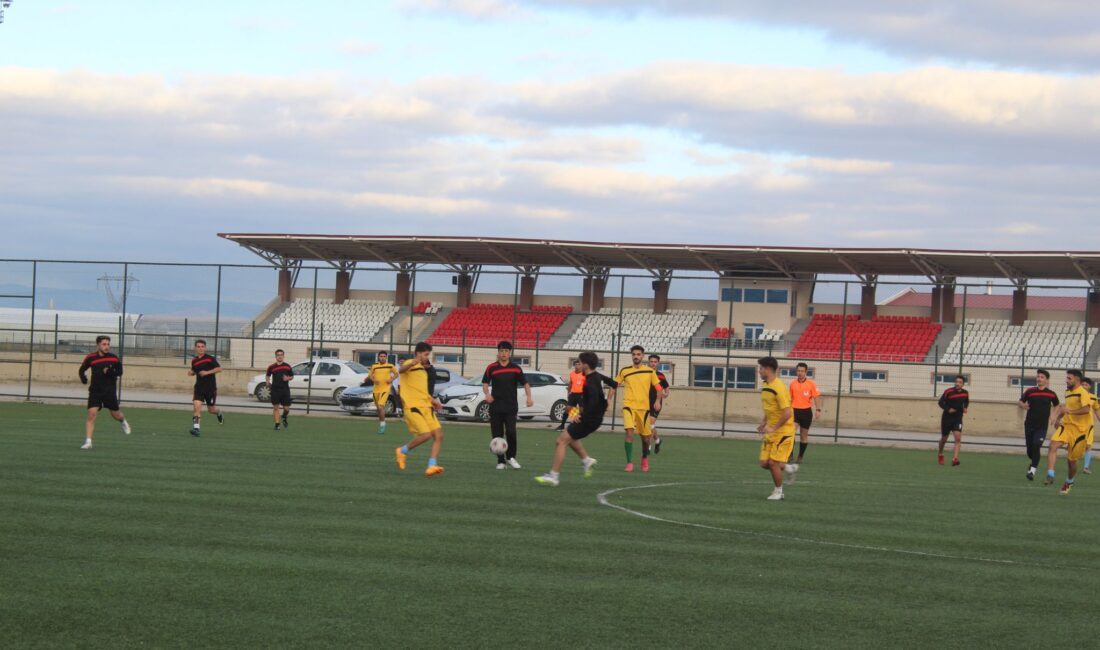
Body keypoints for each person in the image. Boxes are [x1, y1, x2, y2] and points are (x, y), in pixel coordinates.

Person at [535, 351, 604, 486]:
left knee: (561, 441)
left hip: (590, 419)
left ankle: (554, 476)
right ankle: (586, 460)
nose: (577, 365)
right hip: (593, 419)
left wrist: (581, 415)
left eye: (580, 362)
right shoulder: (593, 377)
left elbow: (594, 402)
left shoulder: (590, 381)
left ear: (585, 365)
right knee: (570, 437)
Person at [394, 342, 446, 477]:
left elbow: (421, 390)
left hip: (427, 407)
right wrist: (412, 363)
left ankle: (431, 465)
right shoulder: (410, 364)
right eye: (426, 355)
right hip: (413, 407)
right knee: (426, 435)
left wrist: (433, 400)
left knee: (439, 436)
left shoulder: (423, 370)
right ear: (418, 354)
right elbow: (401, 370)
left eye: (428, 355)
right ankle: (402, 451)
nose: (427, 357)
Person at [608, 345, 662, 472]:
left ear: (642, 356)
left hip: (644, 409)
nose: (636, 356)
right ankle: (629, 462)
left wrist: (657, 401)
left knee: (646, 438)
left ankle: (644, 458)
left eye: (638, 354)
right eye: (634, 354)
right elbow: (614, 385)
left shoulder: (650, 371)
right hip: (628, 406)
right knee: (629, 432)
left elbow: (659, 388)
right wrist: (608, 399)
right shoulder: (625, 371)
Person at [482, 341, 533, 470]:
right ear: (498, 352)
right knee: (497, 434)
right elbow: (485, 384)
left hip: (510, 406)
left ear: (510, 353)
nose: (504, 353)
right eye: (501, 351)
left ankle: (511, 457)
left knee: (511, 432)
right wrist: (487, 394)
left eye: (506, 351)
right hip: (495, 407)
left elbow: (526, 384)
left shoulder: (516, 368)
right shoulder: (491, 367)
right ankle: (501, 461)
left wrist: (529, 397)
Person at [78, 335, 131, 449]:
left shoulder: (114, 358)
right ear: (98, 345)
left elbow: (120, 372)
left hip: (109, 391)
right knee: (91, 414)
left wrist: (110, 372)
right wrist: (83, 378)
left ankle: (123, 421)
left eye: (108, 344)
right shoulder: (91, 358)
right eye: (104, 344)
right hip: (95, 391)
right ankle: (88, 442)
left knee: (115, 414)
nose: (107, 346)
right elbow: (82, 369)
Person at [757, 356, 798, 500]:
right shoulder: (765, 385)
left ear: (768, 369)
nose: (759, 371)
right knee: (764, 463)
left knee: (773, 463)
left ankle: (779, 492)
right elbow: (771, 408)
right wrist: (764, 422)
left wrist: (773, 428)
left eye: (761, 368)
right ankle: (788, 468)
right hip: (771, 429)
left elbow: (787, 412)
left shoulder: (779, 387)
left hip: (783, 431)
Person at [1045, 369, 1092, 494]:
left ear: (1077, 379)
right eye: (1067, 378)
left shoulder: (1083, 393)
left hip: (1080, 432)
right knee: (1052, 445)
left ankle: (1069, 481)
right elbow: (1066, 408)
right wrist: (1058, 418)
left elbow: (1086, 409)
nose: (1066, 380)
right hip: (1066, 426)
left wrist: (1070, 411)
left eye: (1069, 378)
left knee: (1071, 462)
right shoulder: (1067, 392)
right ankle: (1050, 474)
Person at [1018, 370, 1059, 480]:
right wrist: (1023, 405)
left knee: (1036, 445)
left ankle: (1032, 471)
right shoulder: (1030, 391)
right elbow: (1020, 401)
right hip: (1029, 425)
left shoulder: (1051, 393)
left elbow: (1057, 405)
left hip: (1042, 427)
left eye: (1042, 377)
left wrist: (1053, 415)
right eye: (1038, 376)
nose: (1039, 378)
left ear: (1046, 380)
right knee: (1030, 451)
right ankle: (1033, 463)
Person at [787, 362, 821, 467]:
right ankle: (789, 454)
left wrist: (818, 410)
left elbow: (816, 397)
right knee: (790, 433)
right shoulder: (792, 384)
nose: (800, 373)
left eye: (802, 371)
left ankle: (800, 456)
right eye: (798, 371)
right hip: (794, 411)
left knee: (803, 436)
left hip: (806, 412)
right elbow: (789, 399)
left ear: (806, 372)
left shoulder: (811, 384)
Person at [188, 339, 223, 436]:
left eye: (202, 347)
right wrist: (191, 372)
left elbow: (219, 369)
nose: (200, 348)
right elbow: (194, 370)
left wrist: (207, 372)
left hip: (210, 389)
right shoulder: (194, 360)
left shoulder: (210, 359)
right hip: (199, 388)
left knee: (211, 410)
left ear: (205, 348)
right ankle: (196, 429)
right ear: (195, 348)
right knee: (197, 408)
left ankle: (219, 413)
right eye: (198, 347)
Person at [937, 375, 969, 466]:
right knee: (944, 439)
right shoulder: (948, 392)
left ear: (963, 384)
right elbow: (940, 403)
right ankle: (940, 454)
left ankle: (955, 459)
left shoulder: (965, 393)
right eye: (956, 382)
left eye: (960, 382)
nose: (957, 384)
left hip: (958, 418)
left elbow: (966, 401)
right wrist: (948, 409)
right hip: (947, 418)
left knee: (958, 439)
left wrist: (965, 407)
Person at [367, 351, 398, 434]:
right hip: (376, 390)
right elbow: (370, 375)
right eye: (381, 356)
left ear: (386, 357)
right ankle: (381, 422)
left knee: (381, 407)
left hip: (385, 389)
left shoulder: (390, 366)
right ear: (378, 357)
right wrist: (374, 380)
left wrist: (391, 379)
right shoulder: (374, 366)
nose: (382, 358)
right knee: (378, 408)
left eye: (384, 356)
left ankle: (382, 424)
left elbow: (396, 374)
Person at [646, 354, 671, 454]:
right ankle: (657, 440)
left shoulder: (661, 375)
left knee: (650, 425)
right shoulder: (645, 374)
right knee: (650, 426)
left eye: (655, 362)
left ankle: (648, 447)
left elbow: (666, 386)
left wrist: (666, 393)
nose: (653, 363)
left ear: (658, 363)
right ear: (648, 362)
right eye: (651, 361)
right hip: (644, 402)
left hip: (656, 403)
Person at [266, 349, 294, 430]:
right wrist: (267, 382)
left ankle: (284, 416)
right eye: (278, 355)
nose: (280, 356)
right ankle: (277, 424)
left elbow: (292, 376)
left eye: (281, 355)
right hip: (275, 390)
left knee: (286, 408)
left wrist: (288, 378)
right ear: (276, 356)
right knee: (276, 407)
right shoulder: (271, 367)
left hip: (285, 390)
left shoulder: (287, 366)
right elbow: (267, 375)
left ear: (283, 356)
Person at [556, 359, 585, 431]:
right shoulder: (572, 374)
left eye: (579, 364)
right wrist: (568, 392)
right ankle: (562, 425)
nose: (577, 366)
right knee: (568, 409)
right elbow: (571, 383)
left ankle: (582, 426)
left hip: (582, 394)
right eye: (576, 364)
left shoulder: (585, 374)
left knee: (582, 410)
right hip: (573, 394)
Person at [1081, 377, 1099, 474]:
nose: (1084, 386)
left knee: (1088, 446)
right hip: (1076, 425)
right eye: (1082, 384)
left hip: (1089, 426)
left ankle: (1086, 467)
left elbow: (1096, 410)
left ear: (1089, 386)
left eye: (1086, 385)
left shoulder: (1093, 397)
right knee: (1075, 446)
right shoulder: (1075, 396)